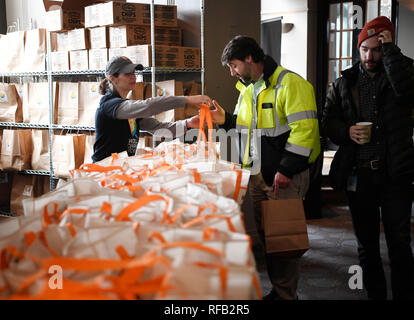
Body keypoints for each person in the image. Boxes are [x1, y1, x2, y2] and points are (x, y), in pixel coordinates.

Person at [204, 35, 321, 300]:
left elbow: (305, 132)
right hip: (257, 175)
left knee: (283, 239)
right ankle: (278, 291)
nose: (232, 73)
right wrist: (226, 120)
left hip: (283, 176)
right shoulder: (247, 89)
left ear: (249, 58)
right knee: (270, 238)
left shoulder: (291, 84)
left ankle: (286, 294)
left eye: (233, 66)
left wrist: (287, 170)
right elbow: (247, 130)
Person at [321, 16, 414, 300]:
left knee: (399, 242)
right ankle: (375, 295)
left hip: (396, 173)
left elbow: (408, 94)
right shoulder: (345, 82)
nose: (370, 56)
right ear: (358, 49)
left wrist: (391, 53)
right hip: (359, 175)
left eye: (377, 49)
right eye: (365, 49)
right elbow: (327, 122)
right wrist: (346, 131)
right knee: (367, 244)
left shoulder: (402, 70)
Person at [92, 56, 212, 162]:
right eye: (127, 74)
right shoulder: (109, 105)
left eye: (134, 73)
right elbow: (148, 106)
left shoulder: (128, 106)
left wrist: (188, 124)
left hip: (122, 167)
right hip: (104, 168)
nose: (133, 77)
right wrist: (187, 100)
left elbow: (159, 129)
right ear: (112, 78)